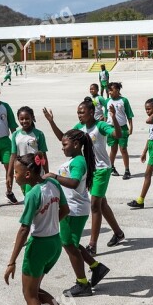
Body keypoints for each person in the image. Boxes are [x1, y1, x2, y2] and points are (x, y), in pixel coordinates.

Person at [4, 153, 82, 305]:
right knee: (36, 290)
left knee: (29, 294)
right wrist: (50, 223)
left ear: (28, 174)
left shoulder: (33, 194)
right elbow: (64, 209)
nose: (14, 175)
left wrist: (11, 261)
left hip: (38, 246)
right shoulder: (53, 185)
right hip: (54, 243)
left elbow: (24, 229)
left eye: (16, 172)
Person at [43, 98, 125, 254]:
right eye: (78, 113)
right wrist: (51, 122)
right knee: (101, 204)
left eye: (82, 112)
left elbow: (117, 134)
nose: (79, 115)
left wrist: (113, 117)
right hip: (89, 169)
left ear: (91, 112)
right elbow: (64, 138)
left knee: (95, 204)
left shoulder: (100, 126)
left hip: (101, 169)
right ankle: (119, 233)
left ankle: (92, 244)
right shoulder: (79, 128)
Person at [54, 130, 111, 297]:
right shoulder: (76, 160)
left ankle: (82, 283)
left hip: (74, 210)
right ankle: (96, 267)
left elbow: (74, 182)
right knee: (71, 242)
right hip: (71, 208)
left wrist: (54, 177)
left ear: (76, 145)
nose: (62, 148)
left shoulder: (78, 162)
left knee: (68, 244)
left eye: (65, 144)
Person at [8, 106, 48, 197]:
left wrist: (47, 172)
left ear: (32, 118)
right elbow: (13, 155)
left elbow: (43, 155)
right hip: (22, 171)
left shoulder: (39, 134)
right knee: (26, 194)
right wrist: (9, 175)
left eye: (27, 118)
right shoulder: (15, 135)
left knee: (32, 195)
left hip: (36, 171)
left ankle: (31, 210)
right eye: (21, 119)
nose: (24, 121)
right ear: (18, 119)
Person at [105, 82, 134, 179]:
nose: (109, 92)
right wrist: (104, 128)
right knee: (113, 149)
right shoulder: (107, 101)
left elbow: (129, 115)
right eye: (109, 90)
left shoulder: (124, 100)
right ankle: (111, 167)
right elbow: (106, 115)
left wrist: (131, 128)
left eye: (111, 90)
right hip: (110, 128)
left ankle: (127, 170)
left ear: (117, 90)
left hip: (122, 128)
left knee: (123, 149)